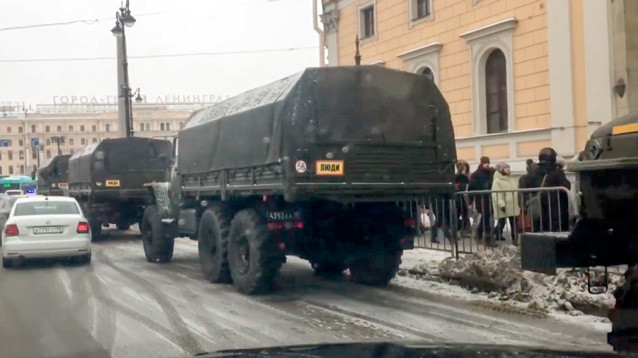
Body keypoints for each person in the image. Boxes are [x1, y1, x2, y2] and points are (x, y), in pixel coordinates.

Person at [536, 147, 571, 232]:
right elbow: (567, 185)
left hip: (542, 207)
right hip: (556, 207)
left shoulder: (536, 171)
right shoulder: (556, 172)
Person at [491, 162, 520, 244]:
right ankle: (493, 235)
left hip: (513, 205)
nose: (508, 169)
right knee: (501, 223)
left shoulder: (511, 179)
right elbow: (496, 194)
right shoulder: (497, 181)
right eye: (505, 168)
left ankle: (515, 240)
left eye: (508, 167)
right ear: (501, 170)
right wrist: (502, 204)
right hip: (504, 205)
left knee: (514, 224)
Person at [468, 156, 495, 245]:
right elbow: (471, 188)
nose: (487, 164)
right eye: (485, 162)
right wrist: (470, 201)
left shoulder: (491, 172)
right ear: (482, 163)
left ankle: (479, 234)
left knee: (486, 217)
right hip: (481, 198)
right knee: (486, 217)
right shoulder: (476, 174)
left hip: (489, 197)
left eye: (488, 162)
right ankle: (487, 239)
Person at [454, 160, 471, 235]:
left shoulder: (465, 177)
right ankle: (459, 230)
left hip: (463, 198)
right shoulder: (456, 177)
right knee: (458, 214)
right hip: (458, 198)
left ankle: (465, 229)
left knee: (464, 214)